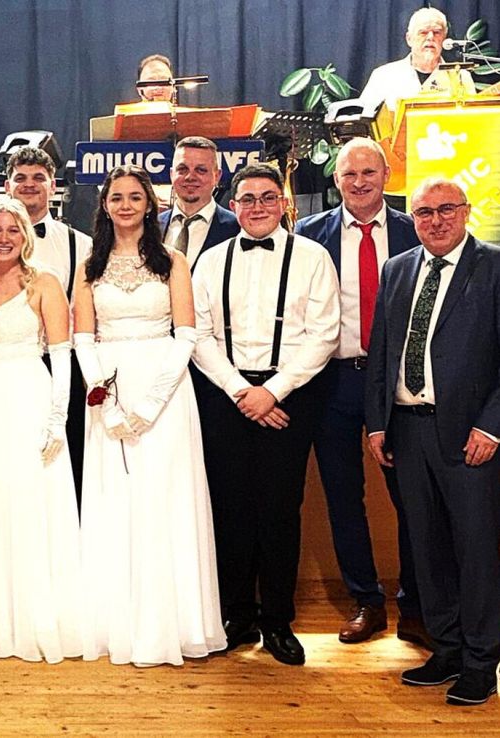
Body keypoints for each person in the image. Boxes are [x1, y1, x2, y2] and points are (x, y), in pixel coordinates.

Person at [70, 166, 224, 666]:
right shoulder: (89, 266)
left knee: (164, 501)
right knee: (117, 504)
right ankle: (118, 622)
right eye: (117, 197)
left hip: (167, 393)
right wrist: (106, 400)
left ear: (149, 204)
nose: (126, 205)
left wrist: (151, 404)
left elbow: (186, 336)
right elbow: (82, 338)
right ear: (105, 205)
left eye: (135, 197)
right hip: (108, 390)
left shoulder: (173, 262)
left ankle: (171, 624)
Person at [192, 164, 339, 667]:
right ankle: (238, 615)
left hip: (290, 394)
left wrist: (271, 392)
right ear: (233, 205)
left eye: (267, 197)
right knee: (229, 509)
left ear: (284, 204)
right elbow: (200, 337)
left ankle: (278, 620)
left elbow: (324, 334)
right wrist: (240, 391)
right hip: (226, 394)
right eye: (247, 198)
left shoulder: (314, 257)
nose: (257, 206)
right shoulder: (210, 262)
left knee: (280, 510)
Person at [367, 178, 500, 706]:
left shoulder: (493, 268)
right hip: (407, 431)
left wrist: (492, 426)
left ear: (466, 212)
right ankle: (445, 650)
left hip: (471, 437)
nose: (436, 220)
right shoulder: (397, 270)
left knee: (476, 552)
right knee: (427, 550)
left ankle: (481, 660)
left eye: (447, 209)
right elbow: (381, 353)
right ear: (412, 217)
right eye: (424, 212)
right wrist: (377, 424)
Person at [294, 138, 424, 647]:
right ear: (337, 181)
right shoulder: (309, 235)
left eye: (369, 172)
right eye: (349, 174)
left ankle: (416, 604)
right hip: (335, 380)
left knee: (410, 495)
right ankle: (366, 601)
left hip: (398, 383)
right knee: (344, 495)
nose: (360, 182)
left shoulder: (418, 231)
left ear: (386, 175)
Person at [0, 198, 82, 663]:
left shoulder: (44, 283)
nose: (5, 237)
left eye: (13, 229)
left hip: (29, 394)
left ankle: (33, 618)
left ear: (26, 236)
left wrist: (58, 418)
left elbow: (63, 353)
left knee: (28, 502)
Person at [0, 145, 91, 493]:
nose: (30, 185)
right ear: (7, 186)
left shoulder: (81, 244)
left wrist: (57, 414)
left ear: (53, 185)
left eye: (39, 178)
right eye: (21, 178)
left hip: (48, 377)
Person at [361, 8, 475, 115]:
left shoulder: (461, 77)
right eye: (423, 32)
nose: (430, 37)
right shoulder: (383, 76)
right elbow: (363, 124)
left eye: (436, 32)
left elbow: (474, 122)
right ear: (409, 39)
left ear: (444, 39)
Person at [158, 137, 240, 272]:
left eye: (201, 170)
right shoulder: (151, 227)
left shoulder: (236, 229)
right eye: (182, 169)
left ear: (217, 176)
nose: (190, 177)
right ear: (172, 174)